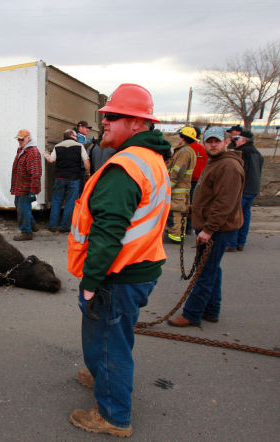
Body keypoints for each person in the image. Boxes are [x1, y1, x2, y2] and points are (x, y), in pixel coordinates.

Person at [67, 84, 171, 437]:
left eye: (113, 116)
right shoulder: (151, 159)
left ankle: (113, 415)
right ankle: (102, 374)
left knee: (110, 341)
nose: (104, 121)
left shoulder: (126, 166)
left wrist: (91, 282)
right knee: (110, 336)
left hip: (118, 273)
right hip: (140, 266)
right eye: (104, 116)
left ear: (138, 124)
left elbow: (108, 234)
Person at [168, 127, 244, 327]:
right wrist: (195, 209)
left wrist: (209, 229)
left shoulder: (228, 166)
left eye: (216, 141)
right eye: (209, 141)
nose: (212, 144)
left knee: (205, 272)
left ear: (226, 142)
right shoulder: (217, 162)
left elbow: (224, 203)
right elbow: (209, 195)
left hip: (218, 229)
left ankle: (192, 314)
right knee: (212, 269)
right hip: (214, 225)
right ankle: (211, 310)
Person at [44, 129, 89, 232]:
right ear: (72, 135)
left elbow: (51, 160)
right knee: (70, 203)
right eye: (75, 134)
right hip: (74, 179)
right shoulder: (79, 146)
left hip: (59, 178)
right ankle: (65, 227)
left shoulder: (57, 146)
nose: (77, 136)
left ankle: (53, 226)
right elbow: (86, 162)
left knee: (56, 201)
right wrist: (88, 173)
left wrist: (46, 154)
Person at [226, 129, 264, 251]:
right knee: (245, 215)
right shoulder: (257, 153)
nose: (235, 141)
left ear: (243, 140)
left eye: (237, 139)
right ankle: (241, 242)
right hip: (253, 188)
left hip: (243, 188)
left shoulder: (242, 153)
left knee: (235, 215)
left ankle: (232, 243)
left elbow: (240, 172)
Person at [165, 126, 197, 244]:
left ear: (182, 138)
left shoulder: (184, 152)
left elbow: (178, 172)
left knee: (175, 212)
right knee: (180, 212)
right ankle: (179, 234)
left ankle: (175, 236)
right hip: (182, 188)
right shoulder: (188, 151)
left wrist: (168, 186)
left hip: (177, 189)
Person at [10, 129, 42, 241]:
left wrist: (33, 190)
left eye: (21, 139)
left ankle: (26, 232)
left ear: (28, 139)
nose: (19, 141)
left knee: (23, 209)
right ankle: (32, 225)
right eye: (18, 139)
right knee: (20, 206)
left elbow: (36, 173)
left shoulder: (32, 152)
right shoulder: (22, 150)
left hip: (26, 187)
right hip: (20, 186)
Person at [185, 126, 207, 234]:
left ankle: (186, 227)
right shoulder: (203, 149)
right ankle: (190, 226)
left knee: (186, 203)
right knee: (194, 203)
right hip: (199, 181)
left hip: (188, 181)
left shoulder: (187, 149)